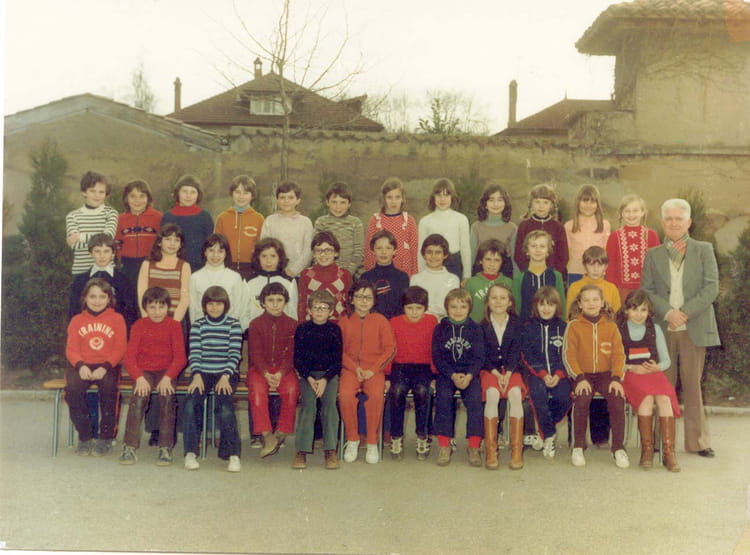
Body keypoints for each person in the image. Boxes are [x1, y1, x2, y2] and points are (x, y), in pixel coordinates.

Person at [641, 198, 720, 458]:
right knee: (662, 385)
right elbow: (647, 290)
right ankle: (658, 439)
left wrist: (684, 313)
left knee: (692, 384)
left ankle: (698, 441)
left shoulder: (703, 250)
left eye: (679, 219)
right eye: (669, 219)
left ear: (689, 222)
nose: (674, 223)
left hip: (693, 325)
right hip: (663, 327)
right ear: (663, 222)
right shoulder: (653, 254)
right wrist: (668, 312)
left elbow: (711, 287)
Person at [563, 284, 628, 468]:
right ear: (580, 304)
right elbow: (569, 355)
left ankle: (618, 448)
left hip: (606, 375)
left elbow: (619, 355)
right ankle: (578, 446)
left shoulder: (611, 326)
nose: (591, 303)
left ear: (602, 303)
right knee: (582, 398)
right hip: (582, 375)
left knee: (617, 397)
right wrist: (579, 378)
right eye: (586, 300)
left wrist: (616, 378)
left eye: (595, 299)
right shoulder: (573, 326)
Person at [120, 287, 186, 465]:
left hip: (166, 371)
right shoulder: (139, 326)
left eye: (161, 307)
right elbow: (129, 357)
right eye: (152, 307)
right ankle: (129, 446)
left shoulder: (174, 326)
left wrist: (168, 377)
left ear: (168, 307)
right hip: (144, 372)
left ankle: (165, 447)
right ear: (145, 308)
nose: (157, 312)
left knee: (167, 397)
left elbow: (180, 358)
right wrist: (139, 378)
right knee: (138, 397)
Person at [617, 289, 681, 471]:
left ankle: (668, 453)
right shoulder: (619, 330)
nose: (639, 314)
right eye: (634, 309)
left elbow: (666, 361)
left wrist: (657, 367)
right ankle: (647, 451)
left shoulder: (655, 329)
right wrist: (631, 367)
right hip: (631, 374)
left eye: (643, 310)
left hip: (653, 374)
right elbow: (615, 361)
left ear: (649, 311)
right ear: (626, 310)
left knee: (664, 398)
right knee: (646, 398)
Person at [565, 245, 621, 449]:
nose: (596, 269)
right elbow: (570, 315)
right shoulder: (575, 287)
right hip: (582, 347)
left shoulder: (611, 288)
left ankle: (600, 436)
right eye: (591, 264)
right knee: (581, 393)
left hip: (603, 346)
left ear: (606, 267)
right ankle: (577, 439)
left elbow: (616, 317)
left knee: (603, 394)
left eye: (600, 264)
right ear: (585, 266)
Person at [183, 286, 243, 472]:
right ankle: (190, 452)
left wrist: (226, 376)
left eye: (218, 304)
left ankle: (232, 454)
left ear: (225, 305)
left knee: (225, 407)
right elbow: (195, 353)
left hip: (226, 372)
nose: (214, 308)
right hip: (202, 372)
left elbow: (234, 353)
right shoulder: (198, 325)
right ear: (204, 306)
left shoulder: (233, 325)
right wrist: (196, 374)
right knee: (191, 404)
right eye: (210, 304)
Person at [65, 278, 127, 457]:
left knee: (109, 389)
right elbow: (71, 348)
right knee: (72, 389)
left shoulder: (117, 319)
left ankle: (105, 437)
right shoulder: (77, 320)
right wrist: (80, 365)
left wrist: (105, 366)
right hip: (82, 364)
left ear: (109, 299)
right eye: (92, 296)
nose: (97, 301)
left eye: (102, 296)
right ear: (85, 298)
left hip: (107, 365)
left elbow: (120, 348)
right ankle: (85, 436)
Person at [339, 280, 396, 464]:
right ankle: (352, 439)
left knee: (376, 396)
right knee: (345, 395)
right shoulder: (344, 321)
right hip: (351, 370)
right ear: (352, 299)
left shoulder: (381, 321)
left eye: (368, 298)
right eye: (359, 297)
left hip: (374, 370)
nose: (363, 301)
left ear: (374, 301)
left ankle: (372, 441)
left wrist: (373, 370)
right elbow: (339, 350)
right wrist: (354, 368)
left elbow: (390, 349)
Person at [432, 288, 485, 467]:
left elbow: (479, 357)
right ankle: (444, 445)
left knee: (476, 400)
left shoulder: (476, 329)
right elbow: (437, 357)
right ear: (447, 308)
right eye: (453, 306)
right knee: (443, 398)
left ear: (469, 308)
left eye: (462, 307)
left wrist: (469, 376)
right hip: (447, 374)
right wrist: (452, 375)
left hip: (470, 374)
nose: (458, 310)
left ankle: (474, 446)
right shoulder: (440, 328)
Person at [247, 282, 299, 458]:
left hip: (284, 369)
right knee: (257, 392)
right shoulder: (255, 324)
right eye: (270, 300)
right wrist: (266, 373)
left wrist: (280, 373)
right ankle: (267, 435)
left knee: (291, 390)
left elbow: (292, 354)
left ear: (285, 302)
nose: (275, 304)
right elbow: (255, 353)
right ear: (263, 302)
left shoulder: (293, 324)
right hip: (260, 369)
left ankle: (281, 432)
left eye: (279, 300)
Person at [292, 290, 343, 470]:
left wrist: (325, 379)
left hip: (328, 375)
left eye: (324, 308)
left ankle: (330, 449)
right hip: (308, 376)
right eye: (316, 307)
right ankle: (301, 450)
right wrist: (309, 377)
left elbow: (337, 361)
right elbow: (298, 359)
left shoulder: (335, 330)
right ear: (309, 310)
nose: (320, 311)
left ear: (331, 311)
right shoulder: (302, 329)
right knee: (309, 407)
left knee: (330, 406)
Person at [519, 287, 571, 462]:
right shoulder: (528, 328)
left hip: (559, 374)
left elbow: (568, 354)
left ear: (557, 307)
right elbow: (526, 354)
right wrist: (542, 374)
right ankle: (549, 436)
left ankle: (542, 432)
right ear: (536, 306)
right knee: (538, 395)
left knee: (565, 397)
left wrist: (558, 374)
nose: (546, 309)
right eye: (542, 305)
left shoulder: (564, 327)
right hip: (536, 374)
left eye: (551, 304)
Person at [387, 286, 439, 461]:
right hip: (400, 366)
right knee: (397, 391)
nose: (414, 312)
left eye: (419, 308)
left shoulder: (432, 321)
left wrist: (435, 375)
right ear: (403, 307)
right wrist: (387, 376)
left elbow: (435, 350)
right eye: (410, 308)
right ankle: (396, 436)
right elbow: (389, 350)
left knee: (423, 391)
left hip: (423, 367)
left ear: (425, 308)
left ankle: (422, 436)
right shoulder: (394, 322)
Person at [479, 283, 523, 470]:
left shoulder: (517, 324)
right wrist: (497, 374)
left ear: (510, 302)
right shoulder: (482, 326)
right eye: (494, 297)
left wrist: (509, 373)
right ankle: (491, 450)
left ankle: (516, 450)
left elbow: (516, 351)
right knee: (492, 395)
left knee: (515, 395)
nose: (498, 301)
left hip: (512, 370)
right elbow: (482, 355)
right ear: (488, 301)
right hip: (490, 371)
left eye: (503, 298)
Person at [69, 233, 137, 328]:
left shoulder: (123, 280)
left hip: (115, 330)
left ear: (113, 253)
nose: (102, 256)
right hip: (87, 330)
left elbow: (130, 312)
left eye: (106, 251)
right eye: (97, 251)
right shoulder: (80, 281)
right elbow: (74, 311)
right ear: (90, 253)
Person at [189, 233, 250, 331]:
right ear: (205, 252)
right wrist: (196, 330)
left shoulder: (235, 277)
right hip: (203, 330)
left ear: (226, 254)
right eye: (211, 250)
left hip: (228, 330)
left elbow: (237, 308)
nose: (215, 255)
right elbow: (193, 309)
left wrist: (230, 329)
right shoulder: (195, 277)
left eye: (220, 251)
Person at [605, 194, 660, 303]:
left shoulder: (651, 235)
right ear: (621, 213)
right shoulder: (614, 237)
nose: (631, 215)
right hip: (621, 291)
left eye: (635, 211)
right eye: (627, 211)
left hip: (646, 290)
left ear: (643, 212)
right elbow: (610, 267)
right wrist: (613, 291)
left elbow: (657, 265)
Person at [418, 178, 471, 282]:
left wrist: (467, 275)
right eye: (439, 195)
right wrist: (421, 273)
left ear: (452, 197)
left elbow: (465, 248)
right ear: (433, 197)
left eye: (446, 195)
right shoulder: (425, 221)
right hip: (432, 263)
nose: (442, 199)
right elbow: (421, 250)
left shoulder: (461, 219)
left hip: (454, 265)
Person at [66, 171, 118, 277]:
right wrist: (99, 239)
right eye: (92, 191)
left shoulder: (111, 213)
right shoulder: (72, 216)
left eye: (101, 192)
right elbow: (75, 245)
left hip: (106, 271)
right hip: (81, 271)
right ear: (84, 192)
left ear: (106, 194)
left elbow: (108, 238)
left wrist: (80, 237)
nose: (97, 195)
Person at [364, 177, 418, 277]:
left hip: (404, 272)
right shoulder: (375, 220)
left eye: (397, 197)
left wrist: (414, 276)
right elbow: (369, 251)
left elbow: (414, 252)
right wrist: (370, 275)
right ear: (383, 199)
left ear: (403, 199)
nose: (394, 201)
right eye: (389, 197)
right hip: (380, 273)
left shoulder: (409, 220)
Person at [214, 174, 265, 279]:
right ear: (231, 193)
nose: (241, 197)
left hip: (251, 267)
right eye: (237, 192)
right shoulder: (222, 218)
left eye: (246, 193)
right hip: (227, 265)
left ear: (252, 195)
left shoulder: (259, 218)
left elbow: (262, 245)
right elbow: (217, 244)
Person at [115, 179, 162, 291]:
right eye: (133, 196)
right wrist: (121, 258)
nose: (137, 200)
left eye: (142, 196)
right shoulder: (120, 219)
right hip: (128, 266)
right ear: (126, 198)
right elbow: (117, 243)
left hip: (151, 264)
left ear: (148, 198)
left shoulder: (158, 217)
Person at [160, 175, 214, 272]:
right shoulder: (167, 217)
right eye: (184, 191)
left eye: (193, 192)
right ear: (178, 193)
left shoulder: (205, 217)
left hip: (198, 268)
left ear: (198, 195)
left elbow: (209, 245)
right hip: (172, 267)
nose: (188, 196)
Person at [259, 180, 313, 278]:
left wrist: (293, 270)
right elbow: (264, 248)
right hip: (273, 272)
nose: (286, 201)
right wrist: (273, 268)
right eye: (282, 197)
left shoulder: (305, 222)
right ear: (277, 200)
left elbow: (308, 251)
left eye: (290, 197)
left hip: (298, 275)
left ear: (298, 200)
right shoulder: (270, 220)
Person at [512, 183, 568, 276]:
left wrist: (554, 273)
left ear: (551, 205)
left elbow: (563, 256)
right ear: (531, 204)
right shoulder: (524, 226)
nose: (541, 206)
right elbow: (518, 255)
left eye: (545, 202)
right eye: (537, 202)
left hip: (551, 276)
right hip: (529, 275)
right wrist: (528, 272)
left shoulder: (558, 227)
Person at [297, 231, 353, 322]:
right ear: (313, 254)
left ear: (336, 253)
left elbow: (349, 305)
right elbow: (302, 305)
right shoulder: (306, 275)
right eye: (318, 251)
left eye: (328, 250)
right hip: (312, 326)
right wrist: (302, 326)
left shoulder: (344, 275)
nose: (323, 254)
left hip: (339, 325)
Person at [512, 230, 566, 320]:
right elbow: (516, 309)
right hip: (526, 326)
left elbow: (561, 306)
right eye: (533, 246)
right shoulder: (519, 278)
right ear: (527, 250)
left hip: (552, 325)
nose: (538, 250)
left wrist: (562, 324)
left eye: (542, 246)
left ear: (548, 251)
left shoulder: (556, 276)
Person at [314, 181, 364, 277]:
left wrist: (347, 274)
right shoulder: (321, 222)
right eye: (334, 202)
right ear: (327, 202)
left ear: (349, 204)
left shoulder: (356, 223)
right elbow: (316, 249)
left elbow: (358, 253)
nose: (338, 207)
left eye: (342, 202)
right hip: (324, 273)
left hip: (349, 274)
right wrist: (323, 272)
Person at [564, 184, 611, 285]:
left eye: (592, 202)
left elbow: (606, 251)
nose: (588, 205)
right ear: (578, 202)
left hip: (598, 273)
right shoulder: (569, 226)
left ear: (598, 204)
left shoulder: (605, 225)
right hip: (576, 272)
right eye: (585, 201)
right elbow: (567, 252)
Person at [245, 237, 298, 322]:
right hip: (254, 328)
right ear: (257, 258)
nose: (268, 260)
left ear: (280, 258)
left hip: (282, 328)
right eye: (264, 256)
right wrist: (248, 328)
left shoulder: (289, 282)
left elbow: (292, 312)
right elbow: (244, 311)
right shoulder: (249, 282)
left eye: (273, 256)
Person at [361, 230, 410, 320]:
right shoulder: (365, 277)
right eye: (379, 248)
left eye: (388, 248)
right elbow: (363, 304)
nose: (384, 252)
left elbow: (403, 306)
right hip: (372, 322)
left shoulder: (402, 277)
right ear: (373, 251)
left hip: (395, 322)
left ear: (394, 251)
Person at [470, 184, 516, 279]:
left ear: (505, 203)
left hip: (505, 272)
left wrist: (516, 278)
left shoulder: (512, 228)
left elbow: (515, 257)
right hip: (480, 272)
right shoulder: (476, 227)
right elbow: (472, 255)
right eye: (491, 200)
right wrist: (467, 275)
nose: (496, 204)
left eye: (500, 200)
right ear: (485, 204)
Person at [410, 233, 460, 319]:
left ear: (445, 255)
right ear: (424, 255)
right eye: (429, 252)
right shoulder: (416, 279)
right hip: (422, 321)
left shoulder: (453, 279)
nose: (433, 256)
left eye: (438, 252)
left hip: (444, 322)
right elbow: (415, 307)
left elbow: (450, 307)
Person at [464, 238, 513, 323]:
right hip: (476, 327)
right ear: (480, 260)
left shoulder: (508, 283)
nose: (492, 264)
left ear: (502, 262)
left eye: (497, 260)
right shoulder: (471, 283)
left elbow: (512, 310)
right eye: (488, 259)